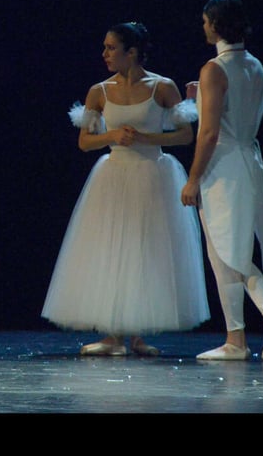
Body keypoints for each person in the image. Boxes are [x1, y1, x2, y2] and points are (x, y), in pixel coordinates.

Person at [41, 22, 209, 356]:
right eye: (105, 47)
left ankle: (138, 334)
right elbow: (85, 141)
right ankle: (112, 336)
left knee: (146, 249)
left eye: (111, 48)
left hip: (153, 174)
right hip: (114, 174)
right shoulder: (99, 91)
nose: (105, 54)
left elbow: (185, 135)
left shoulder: (162, 87)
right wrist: (112, 136)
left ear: (131, 52)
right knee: (112, 248)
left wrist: (145, 138)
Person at [180, 0, 263, 361]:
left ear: (216, 24)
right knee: (228, 251)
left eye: (205, 21)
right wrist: (199, 95)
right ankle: (236, 338)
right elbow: (238, 111)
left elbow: (210, 132)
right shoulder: (254, 65)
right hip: (248, 160)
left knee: (227, 250)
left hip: (222, 166)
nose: (203, 27)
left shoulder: (214, 68)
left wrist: (193, 179)